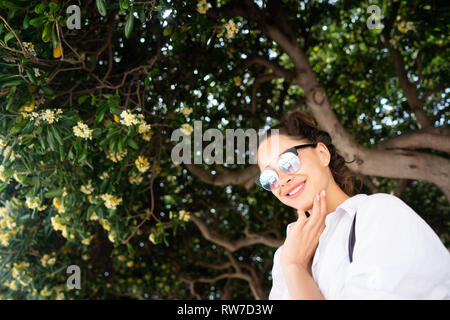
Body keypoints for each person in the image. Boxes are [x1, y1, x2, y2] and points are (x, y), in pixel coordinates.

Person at [256, 109, 450, 299]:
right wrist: (289, 264)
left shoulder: (378, 213)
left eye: (288, 161)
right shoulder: (284, 256)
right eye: (268, 177)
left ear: (322, 153)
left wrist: (295, 269)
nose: (281, 180)